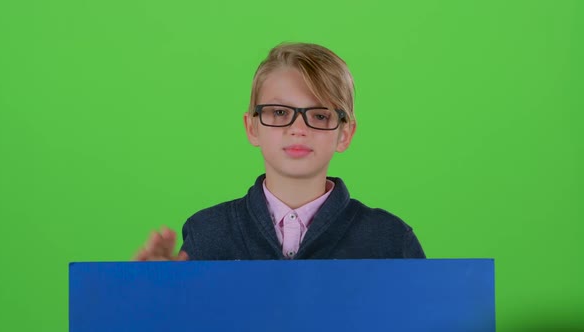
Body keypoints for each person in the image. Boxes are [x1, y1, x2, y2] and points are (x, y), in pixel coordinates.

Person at [133, 42, 425, 261]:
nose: (298, 128)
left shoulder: (391, 240)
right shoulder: (208, 233)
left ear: (344, 133)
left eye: (320, 115)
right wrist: (153, 297)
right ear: (252, 127)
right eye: (279, 112)